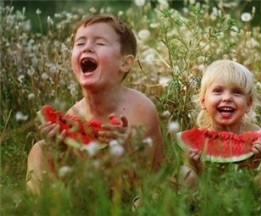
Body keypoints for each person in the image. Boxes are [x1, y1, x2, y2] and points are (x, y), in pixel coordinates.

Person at [26, 14, 164, 195]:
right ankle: (42, 209)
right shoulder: (74, 113)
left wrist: (128, 150)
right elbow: (78, 171)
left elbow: (146, 177)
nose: (87, 48)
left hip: (137, 195)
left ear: (125, 63)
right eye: (80, 43)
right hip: (90, 191)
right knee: (40, 150)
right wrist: (60, 149)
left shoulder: (140, 109)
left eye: (99, 43)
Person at [177, 59, 261, 189]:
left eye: (237, 92)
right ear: (203, 101)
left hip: (244, 194)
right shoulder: (196, 141)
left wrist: (259, 159)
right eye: (218, 91)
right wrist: (193, 163)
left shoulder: (256, 136)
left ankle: (260, 206)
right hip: (206, 195)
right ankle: (191, 206)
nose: (227, 98)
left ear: (248, 104)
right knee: (185, 172)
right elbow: (198, 175)